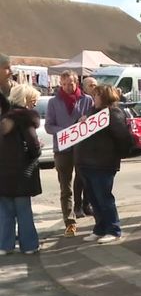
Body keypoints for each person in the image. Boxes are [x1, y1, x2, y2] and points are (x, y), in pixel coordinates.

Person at [76, 85, 133, 244]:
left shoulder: (113, 113)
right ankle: (100, 228)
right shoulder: (92, 112)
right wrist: (80, 121)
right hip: (86, 162)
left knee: (104, 198)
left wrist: (116, 155)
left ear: (105, 97)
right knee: (94, 199)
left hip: (103, 163)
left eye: (97, 95)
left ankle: (113, 230)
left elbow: (123, 138)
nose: (93, 98)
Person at [45, 70, 93, 237]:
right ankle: (70, 222)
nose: (66, 87)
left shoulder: (87, 100)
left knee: (87, 182)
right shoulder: (53, 102)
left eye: (70, 84)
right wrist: (67, 131)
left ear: (76, 83)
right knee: (65, 188)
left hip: (82, 149)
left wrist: (86, 122)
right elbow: (48, 126)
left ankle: (88, 210)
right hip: (62, 149)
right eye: (63, 84)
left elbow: (93, 121)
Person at [0, 84, 42, 255]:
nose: (34, 104)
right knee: (23, 211)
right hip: (21, 173)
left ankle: (4, 245)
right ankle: (29, 245)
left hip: (3, 172)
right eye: (33, 101)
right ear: (26, 100)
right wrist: (38, 149)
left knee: (5, 212)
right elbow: (34, 146)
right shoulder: (24, 120)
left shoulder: (4, 117)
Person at [76, 77, 98, 218]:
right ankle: (77, 206)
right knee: (79, 178)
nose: (94, 87)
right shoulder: (83, 101)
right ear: (84, 88)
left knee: (90, 178)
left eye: (95, 85)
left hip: (93, 146)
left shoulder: (96, 101)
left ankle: (87, 204)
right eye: (91, 85)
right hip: (79, 144)